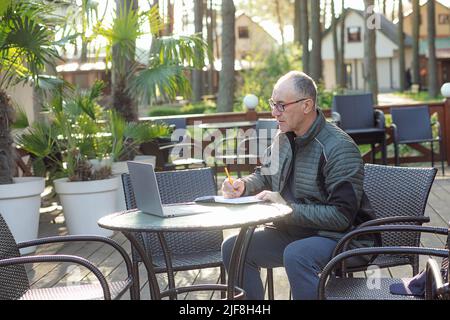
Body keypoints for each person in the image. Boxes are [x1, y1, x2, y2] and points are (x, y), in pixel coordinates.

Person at [221, 71, 378, 300]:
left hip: (343, 239)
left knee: (296, 255)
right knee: (233, 248)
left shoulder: (338, 148)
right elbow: (264, 175)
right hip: (295, 231)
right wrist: (243, 186)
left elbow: (341, 217)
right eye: (273, 104)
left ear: (307, 105)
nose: (274, 112)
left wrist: (287, 209)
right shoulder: (283, 136)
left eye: (281, 105)